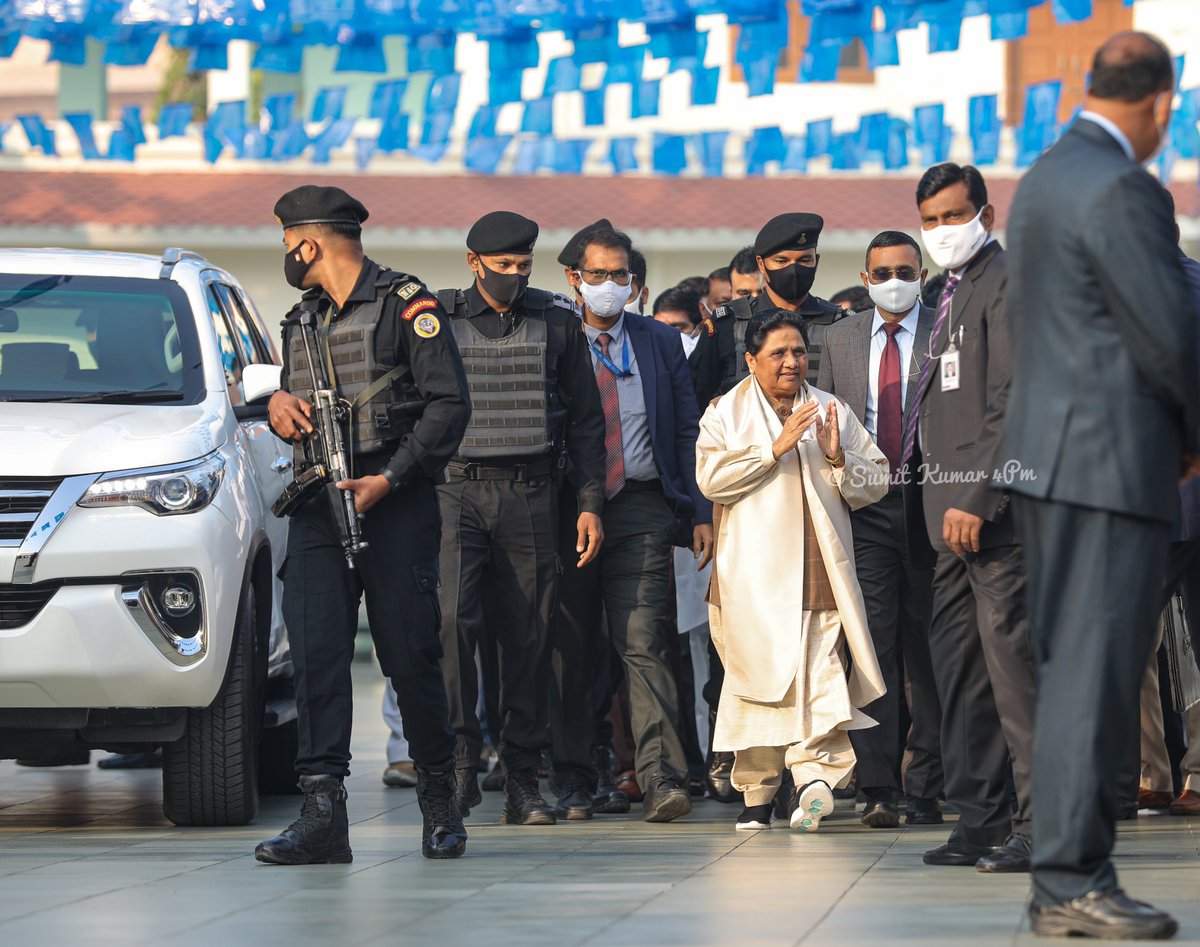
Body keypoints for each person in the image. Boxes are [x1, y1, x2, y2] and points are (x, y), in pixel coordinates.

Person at [998, 31, 1198, 940]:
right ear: (1162, 103)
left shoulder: (1043, 178)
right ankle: (1072, 877)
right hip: (1110, 463)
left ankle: (1067, 874)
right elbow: (1168, 333)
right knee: (1097, 674)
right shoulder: (1124, 187)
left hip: (1052, 460)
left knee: (1073, 667)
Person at [257, 184, 470, 863]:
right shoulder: (301, 321)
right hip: (319, 502)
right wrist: (279, 405)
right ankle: (323, 814)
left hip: (394, 499)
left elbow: (448, 405)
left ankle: (440, 800)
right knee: (317, 654)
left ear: (309, 244)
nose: (290, 257)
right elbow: (294, 400)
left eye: (291, 246)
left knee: (410, 656)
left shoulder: (408, 305)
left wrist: (391, 476)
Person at [434, 211, 607, 825]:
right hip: (456, 490)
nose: (512, 275)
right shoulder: (439, 322)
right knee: (454, 623)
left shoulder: (556, 321)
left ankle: (523, 779)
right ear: (474, 262)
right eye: (501, 265)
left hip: (533, 491)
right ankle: (458, 764)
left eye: (522, 265)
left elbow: (588, 420)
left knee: (529, 638)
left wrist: (589, 504)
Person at [697, 308, 888, 831]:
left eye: (799, 352)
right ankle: (757, 796)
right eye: (778, 353)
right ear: (751, 359)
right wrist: (773, 449)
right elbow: (713, 481)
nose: (790, 362)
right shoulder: (725, 412)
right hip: (751, 579)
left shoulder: (831, 409)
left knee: (820, 675)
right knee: (757, 682)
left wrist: (837, 459)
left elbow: (877, 482)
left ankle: (814, 782)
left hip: (819, 570)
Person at [549, 227, 714, 823]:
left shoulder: (659, 341)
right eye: (598, 275)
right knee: (573, 646)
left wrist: (698, 509)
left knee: (644, 640)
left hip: (643, 504)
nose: (611, 286)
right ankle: (575, 776)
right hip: (568, 512)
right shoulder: (554, 336)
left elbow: (686, 430)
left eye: (621, 275)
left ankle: (662, 778)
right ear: (574, 279)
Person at [905, 162, 1039, 873]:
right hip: (942, 517)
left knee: (1014, 674)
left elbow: (1013, 398)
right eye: (931, 220)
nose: (942, 232)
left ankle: (1041, 824)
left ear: (985, 214)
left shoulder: (1008, 281)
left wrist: (980, 495)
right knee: (959, 672)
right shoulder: (945, 292)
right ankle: (980, 819)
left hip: (992, 516)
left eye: (954, 217)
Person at [817, 231, 944, 828]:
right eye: (883, 271)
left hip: (931, 506)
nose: (895, 279)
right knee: (870, 650)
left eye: (905, 269)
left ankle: (927, 782)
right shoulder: (838, 337)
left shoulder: (947, 331)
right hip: (864, 509)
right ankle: (878, 787)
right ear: (865, 278)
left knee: (931, 651)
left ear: (921, 273)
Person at [712, 214, 845, 392]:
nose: (794, 270)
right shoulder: (728, 322)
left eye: (804, 260)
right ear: (761, 264)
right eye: (781, 261)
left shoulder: (839, 324)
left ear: (816, 261)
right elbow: (702, 394)